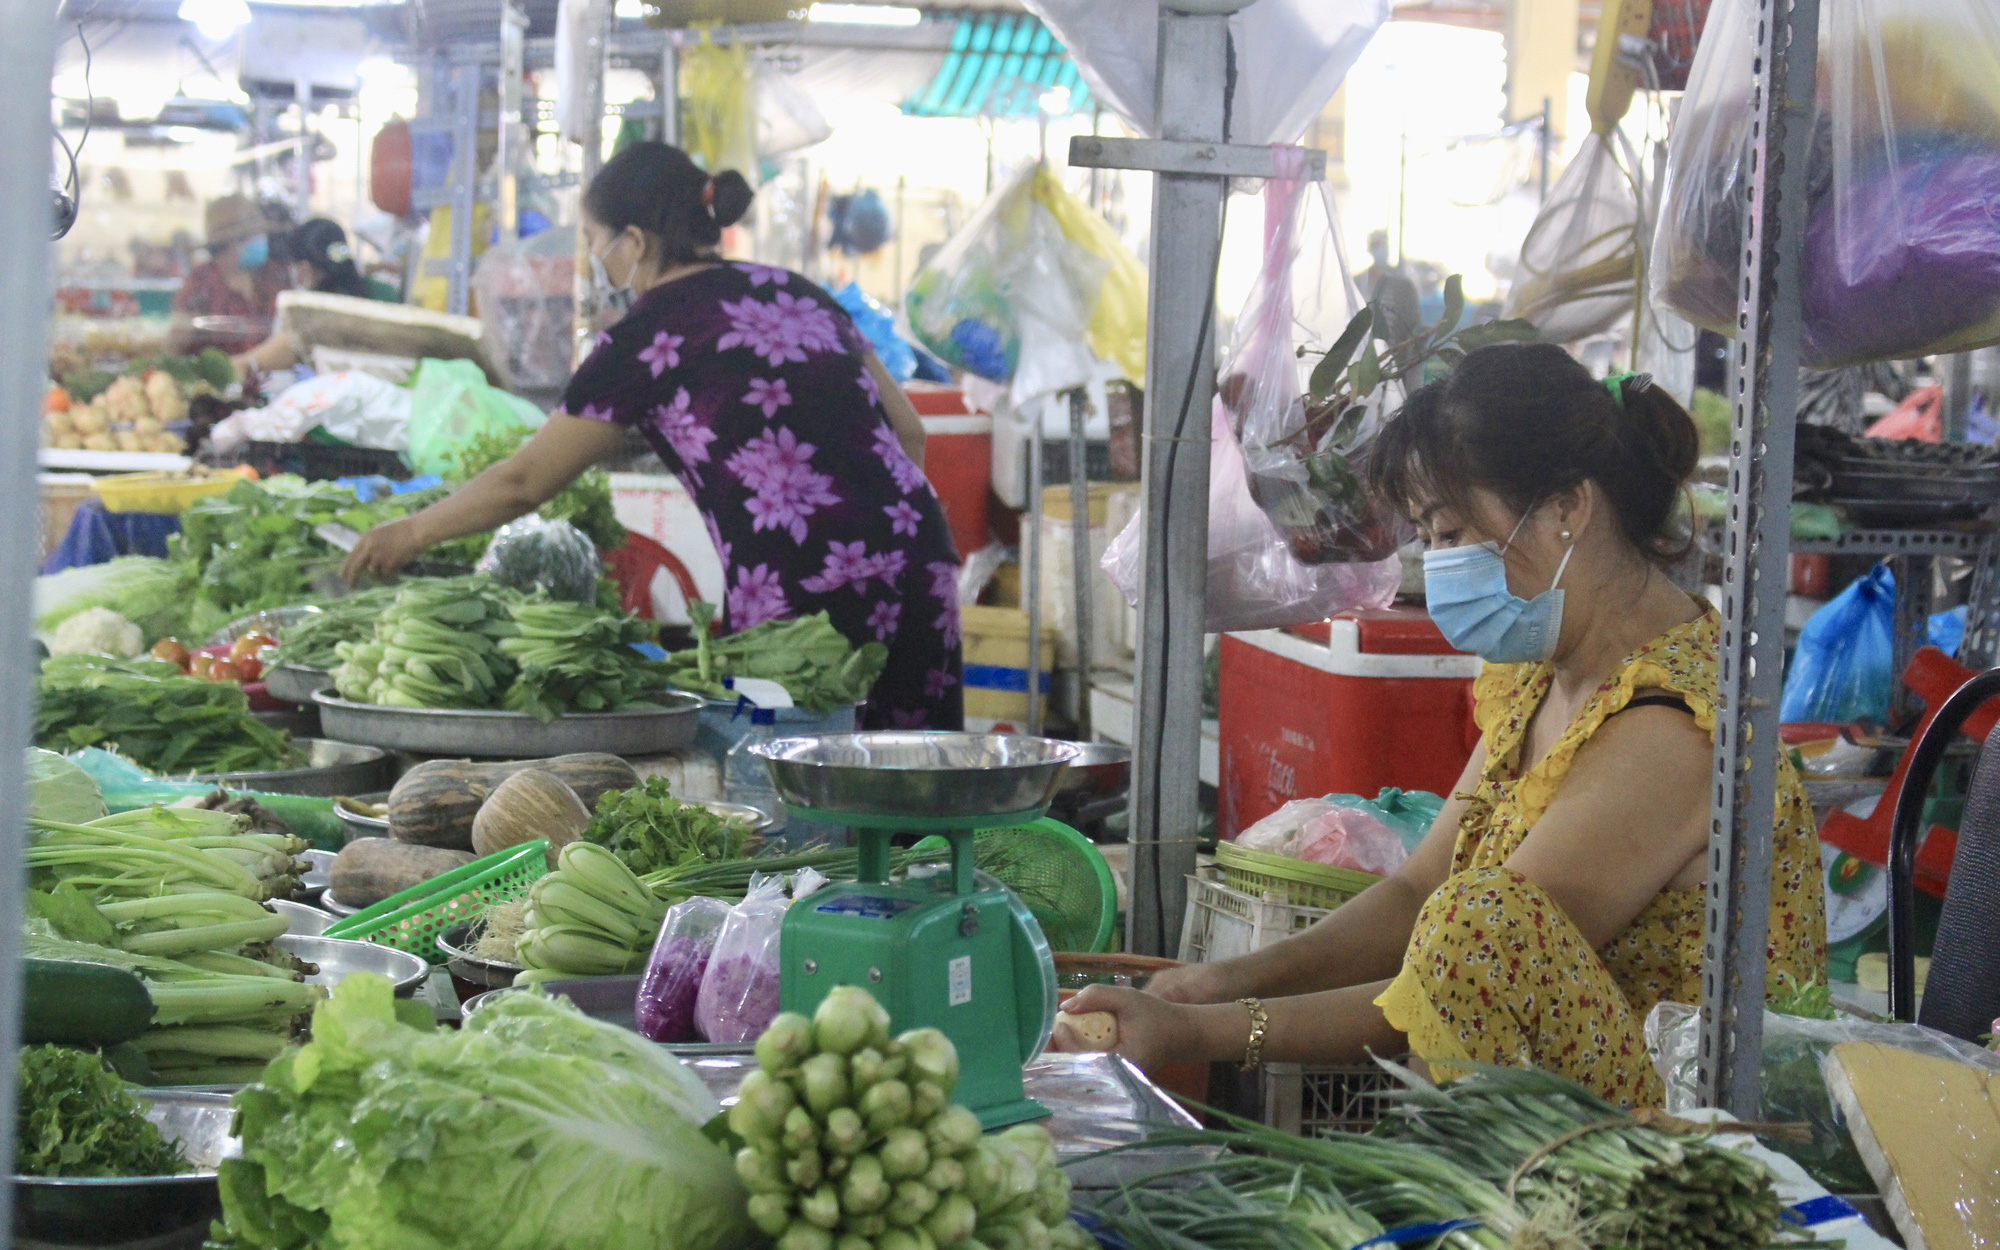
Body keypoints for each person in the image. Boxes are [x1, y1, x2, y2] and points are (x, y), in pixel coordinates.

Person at [1058, 344, 1826, 1106]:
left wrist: (1200, 1032)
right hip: (1546, 1097)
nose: (1437, 560)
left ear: (1567, 506)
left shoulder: (1678, 731)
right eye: (1427, 535)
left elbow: (1465, 969)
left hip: (1687, 1132)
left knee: (1480, 918)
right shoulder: (1543, 672)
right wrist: (1219, 981)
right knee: (1463, 906)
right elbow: (1417, 889)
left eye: (1450, 532)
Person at [341, 142, 964, 730]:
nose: (594, 258)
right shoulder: (795, 291)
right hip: (920, 544)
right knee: (919, 771)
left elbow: (525, 482)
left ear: (633, 241)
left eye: (593, 241)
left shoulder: (645, 338)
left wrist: (410, 531)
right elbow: (907, 429)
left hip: (802, 571)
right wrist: (881, 523)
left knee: (811, 781)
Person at [231, 219, 398, 376]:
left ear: (304, 270)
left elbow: (289, 344)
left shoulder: (311, 310)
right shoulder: (385, 291)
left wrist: (242, 364)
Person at [170, 194, 288, 356]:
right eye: (254, 236)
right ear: (231, 243)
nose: (262, 240)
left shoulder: (273, 275)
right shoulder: (200, 284)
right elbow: (178, 341)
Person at [1363, 229, 1423, 346]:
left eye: (1384, 244)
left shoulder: (1403, 286)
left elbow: (1413, 324)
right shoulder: (1358, 282)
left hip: (1393, 353)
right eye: (1376, 244)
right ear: (1369, 248)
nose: (1381, 248)